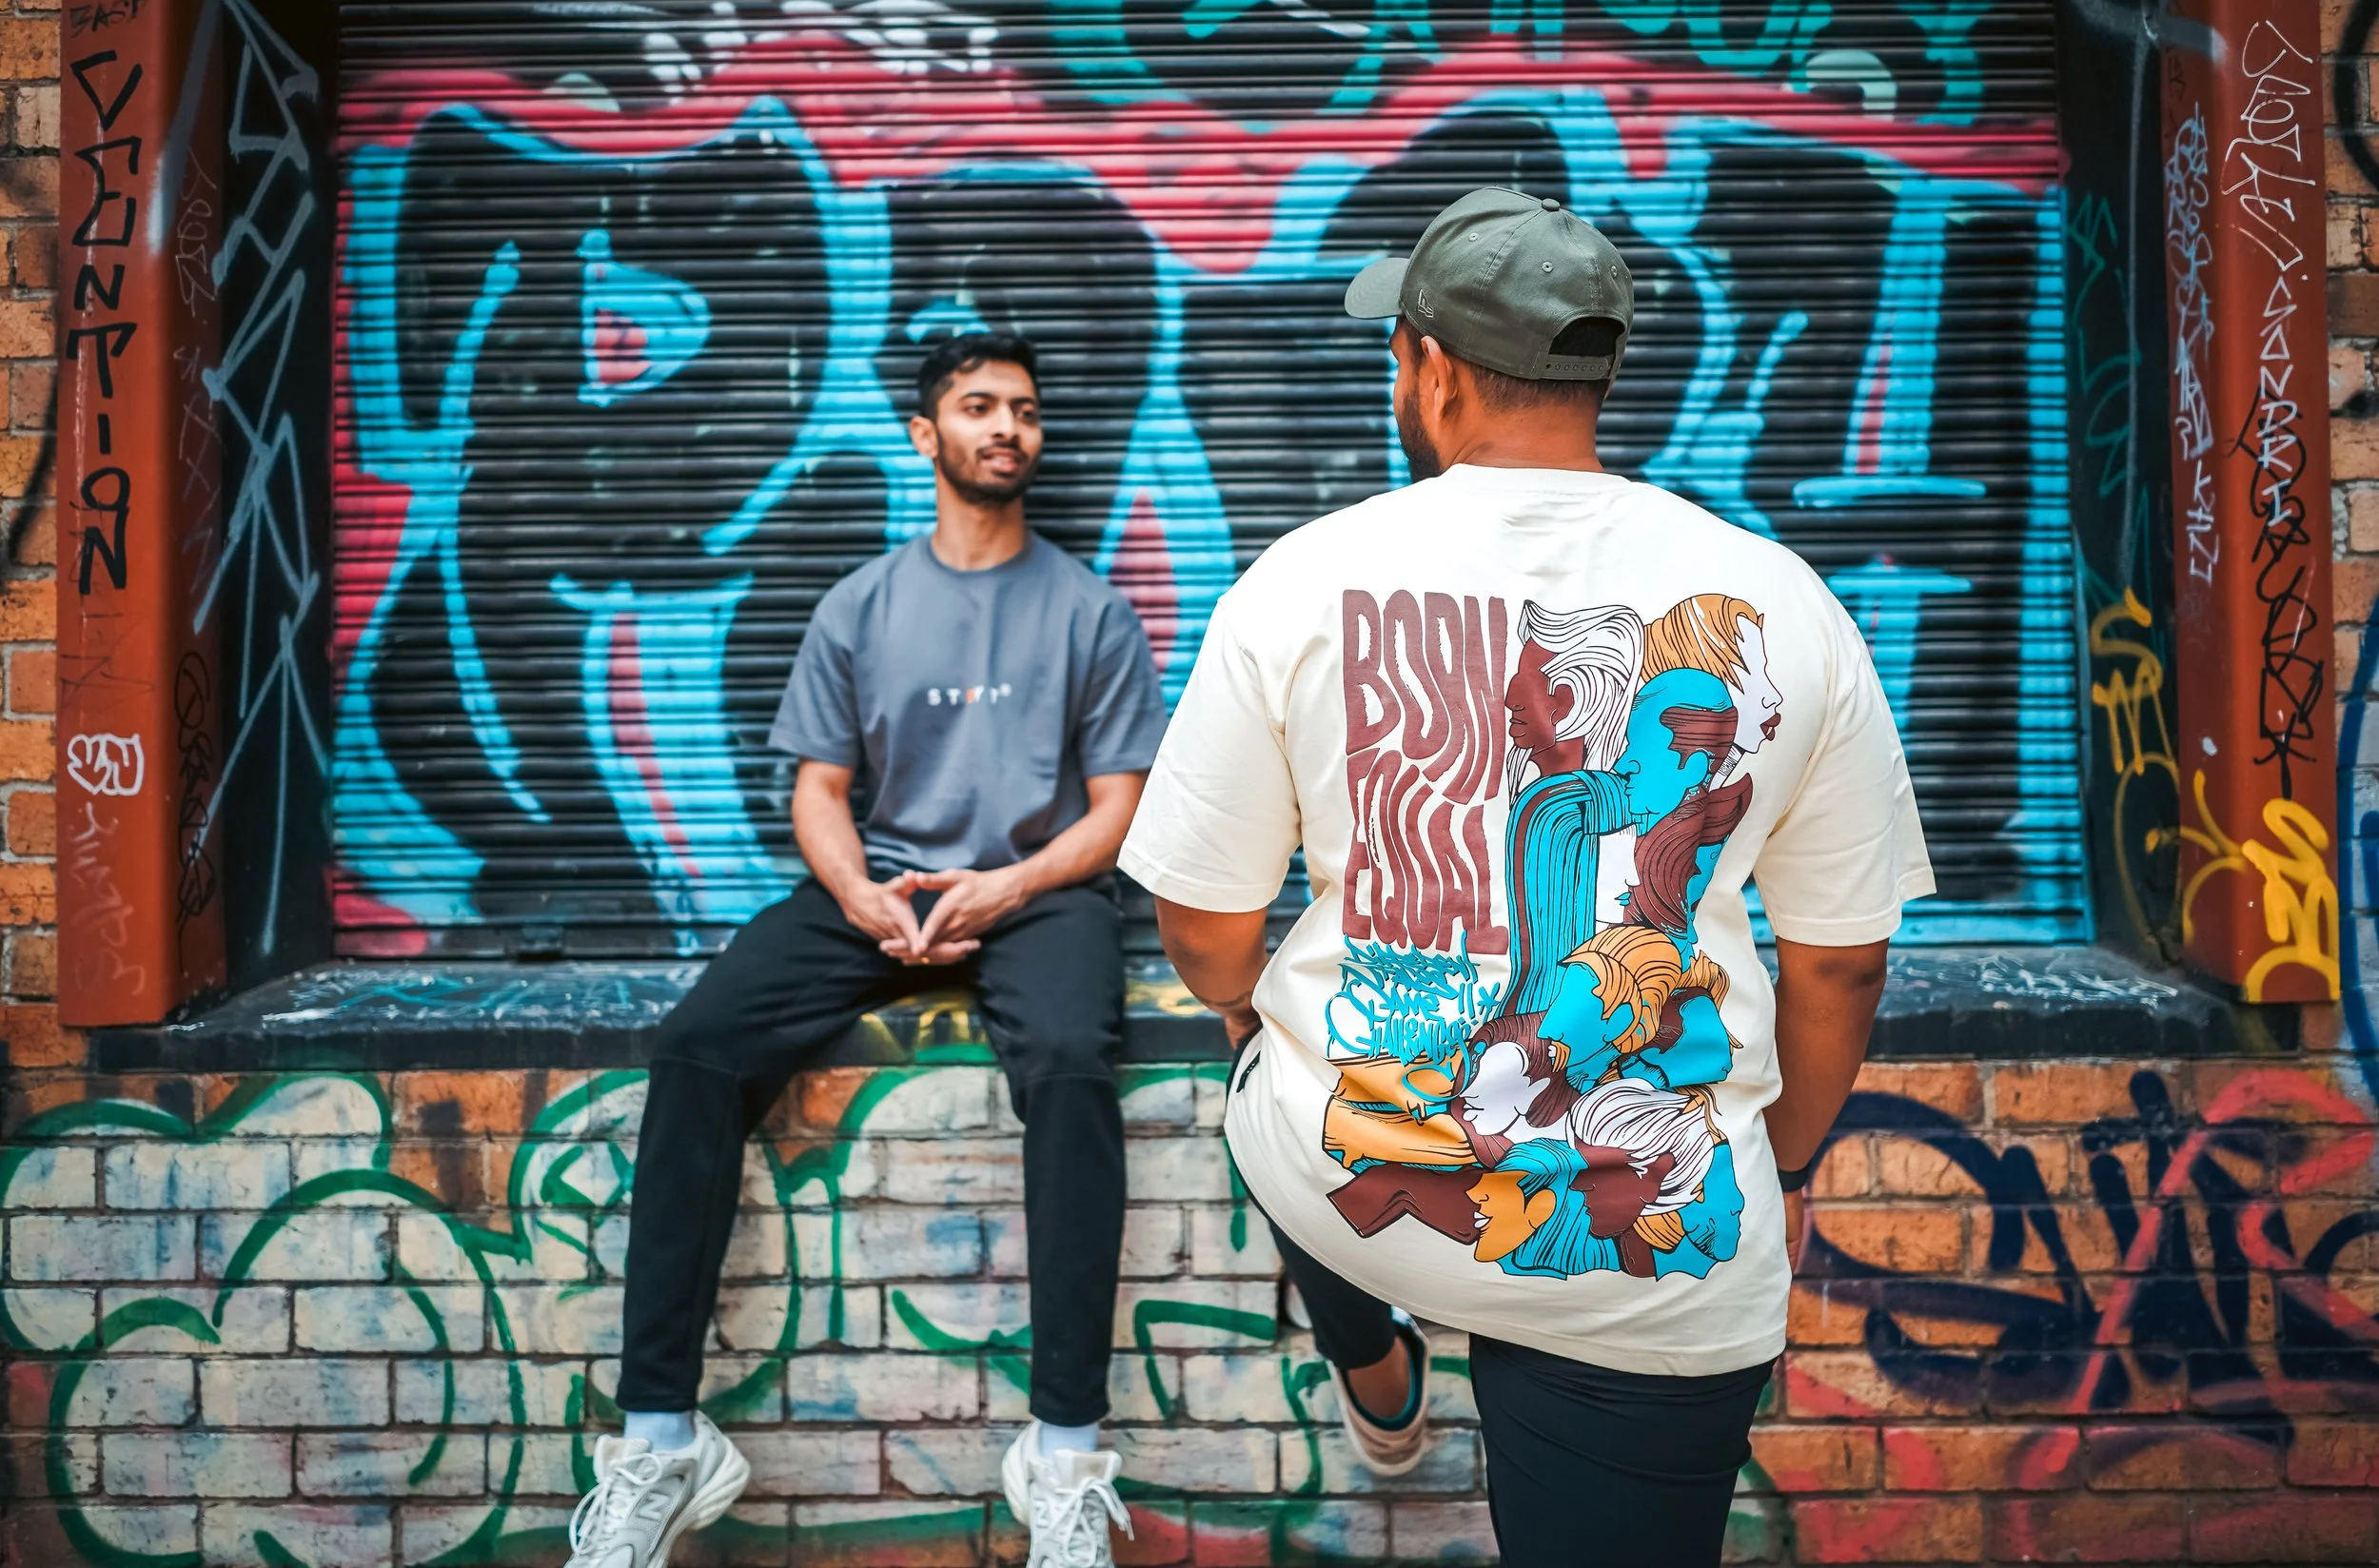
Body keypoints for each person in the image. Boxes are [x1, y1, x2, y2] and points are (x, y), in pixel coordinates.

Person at [1118, 188, 1931, 1565]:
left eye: (1397, 352)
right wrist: (1776, 1161)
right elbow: (1842, 959)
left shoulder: (1298, 582)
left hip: (1360, 1165)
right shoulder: (1785, 599)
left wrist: (1265, 1020)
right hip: (1651, 1252)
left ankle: (1379, 1367)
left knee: (1276, 1090)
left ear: (1431, 372)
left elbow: (1202, 925)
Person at [568, 333, 1168, 1568]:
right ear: (925, 433)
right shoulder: (863, 602)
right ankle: (661, 1437)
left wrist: (1005, 884)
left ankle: (1063, 1456)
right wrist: (856, 892)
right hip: (880, 885)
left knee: (1067, 1058)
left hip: (1034, 886)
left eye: (1026, 412)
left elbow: (1116, 811)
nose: (1009, 428)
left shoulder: (1088, 608)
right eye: (980, 406)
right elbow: (820, 787)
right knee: (694, 1048)